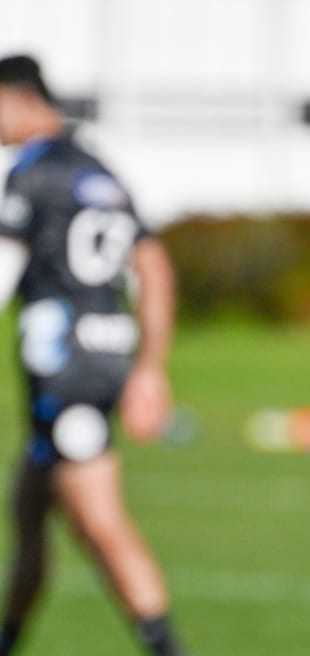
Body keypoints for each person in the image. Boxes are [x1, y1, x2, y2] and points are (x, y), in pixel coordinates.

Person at [0, 54, 185, 655]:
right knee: (29, 508)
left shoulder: (31, 172)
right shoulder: (97, 169)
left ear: (20, 100)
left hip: (64, 370)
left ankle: (167, 648)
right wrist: (149, 369)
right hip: (104, 357)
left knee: (100, 525)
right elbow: (153, 266)